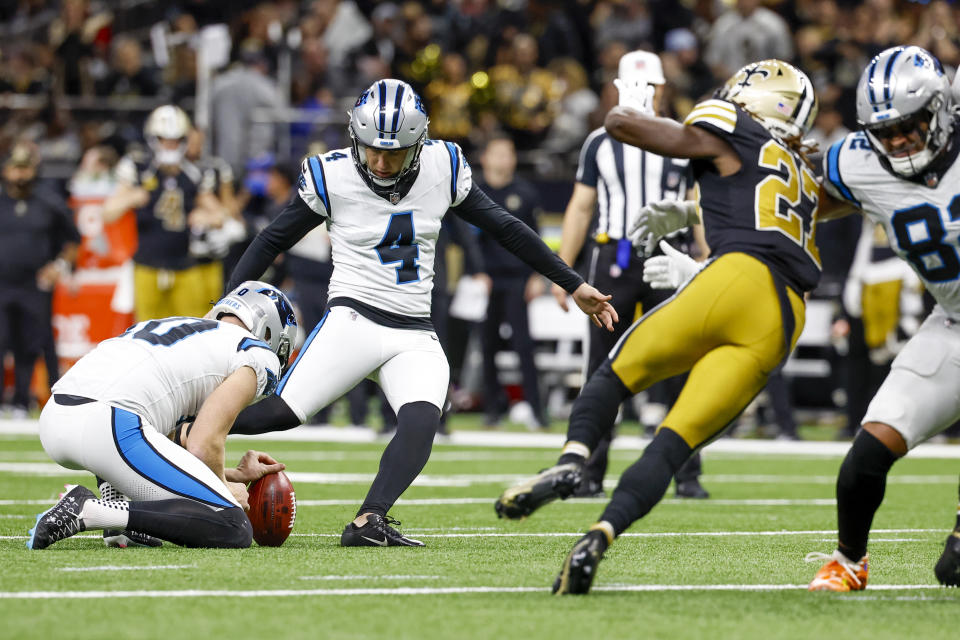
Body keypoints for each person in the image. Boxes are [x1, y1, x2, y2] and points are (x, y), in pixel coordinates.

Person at [226, 78, 617, 548]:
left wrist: (571, 282)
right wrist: (231, 307)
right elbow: (272, 239)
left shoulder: (443, 165)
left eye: (394, 151)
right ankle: (180, 428)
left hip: (414, 329)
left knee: (422, 419)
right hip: (354, 317)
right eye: (371, 148)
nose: (380, 161)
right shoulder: (331, 175)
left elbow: (507, 229)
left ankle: (369, 519)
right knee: (282, 413)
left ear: (420, 141)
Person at [495, 59, 820, 594]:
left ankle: (574, 460)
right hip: (783, 319)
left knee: (610, 373)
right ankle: (603, 532)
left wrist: (630, 106)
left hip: (736, 278)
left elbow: (625, 126)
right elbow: (765, 218)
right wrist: (695, 223)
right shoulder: (802, 173)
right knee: (673, 443)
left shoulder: (730, 124)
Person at [805, 45, 960, 590]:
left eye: (909, 126)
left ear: (940, 110)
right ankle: (849, 561)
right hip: (954, 324)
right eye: (885, 131)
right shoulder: (857, 162)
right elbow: (806, 203)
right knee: (866, 455)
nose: (897, 142)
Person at [27, 281, 297, 550]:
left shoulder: (179, 327)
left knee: (144, 428)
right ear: (272, 333)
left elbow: (166, 438)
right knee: (231, 525)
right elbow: (204, 443)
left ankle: (120, 524)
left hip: (57, 417)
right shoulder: (258, 354)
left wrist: (231, 474)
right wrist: (224, 488)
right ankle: (93, 511)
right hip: (109, 424)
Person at [548, 49, 709, 498]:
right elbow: (581, 207)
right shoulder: (600, 141)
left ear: (660, 90)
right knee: (601, 367)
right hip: (613, 256)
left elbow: (697, 208)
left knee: (679, 362)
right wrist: (562, 272)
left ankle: (686, 473)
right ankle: (591, 470)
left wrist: (709, 260)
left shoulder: (682, 137)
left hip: (667, 258)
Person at [101, 105, 225, 321]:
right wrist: (131, 197)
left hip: (184, 264)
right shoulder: (138, 168)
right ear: (153, 139)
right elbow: (108, 213)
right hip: (146, 265)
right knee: (147, 333)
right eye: (164, 139)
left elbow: (219, 215)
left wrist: (207, 217)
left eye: (175, 140)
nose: (170, 145)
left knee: (191, 330)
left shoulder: (195, 173)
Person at [474, 133, 549, 429]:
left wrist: (535, 275)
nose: (505, 160)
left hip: (518, 278)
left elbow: (536, 239)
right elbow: (468, 240)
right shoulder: (474, 193)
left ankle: (536, 410)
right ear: (486, 158)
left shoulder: (526, 193)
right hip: (487, 280)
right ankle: (492, 408)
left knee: (523, 346)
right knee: (487, 344)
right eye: (499, 153)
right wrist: (476, 272)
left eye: (509, 154)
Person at [0, 141, 79, 416]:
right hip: (2, 284)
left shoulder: (49, 202)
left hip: (35, 285)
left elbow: (72, 240)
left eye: (24, 168)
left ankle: (24, 400)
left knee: (32, 342)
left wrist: (58, 266)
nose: (20, 175)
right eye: (15, 168)